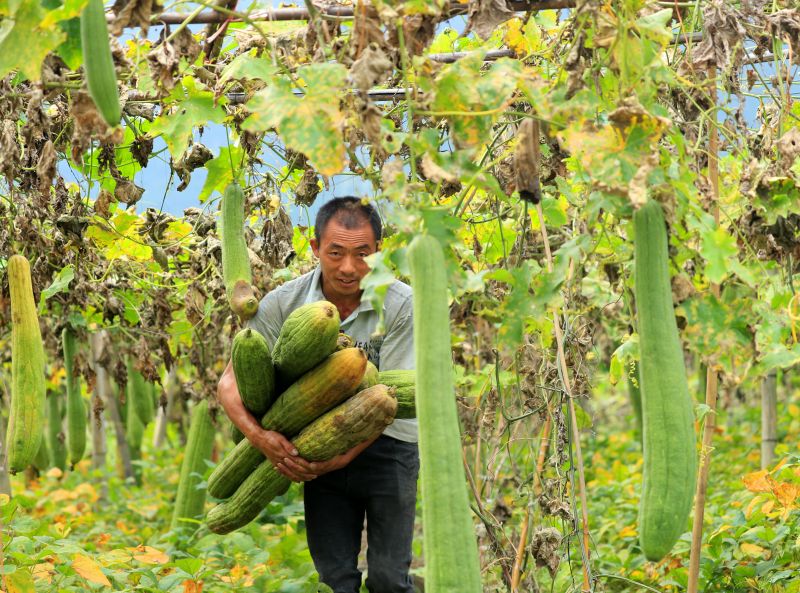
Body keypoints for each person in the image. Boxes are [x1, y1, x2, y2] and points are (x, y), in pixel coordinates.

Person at [217, 196, 418, 593]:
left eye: (362, 254)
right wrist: (264, 440)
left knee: (389, 579)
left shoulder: (401, 304)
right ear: (314, 248)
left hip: (389, 444)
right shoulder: (285, 302)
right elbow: (229, 384)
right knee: (333, 580)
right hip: (313, 444)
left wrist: (339, 454)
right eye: (336, 252)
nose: (348, 267)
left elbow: (387, 400)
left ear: (379, 252)